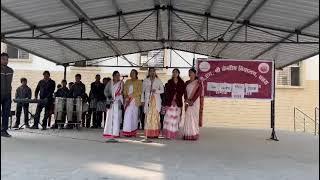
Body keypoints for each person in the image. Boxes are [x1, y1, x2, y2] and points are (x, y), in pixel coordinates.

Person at [162, 69, 186, 139]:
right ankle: (168, 134)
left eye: (176, 72)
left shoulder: (181, 82)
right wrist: (172, 99)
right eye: (174, 72)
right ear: (172, 73)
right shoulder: (169, 82)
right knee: (169, 119)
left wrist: (176, 98)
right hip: (170, 102)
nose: (175, 73)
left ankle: (173, 134)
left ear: (178, 73)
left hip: (178, 102)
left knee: (175, 119)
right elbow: (167, 92)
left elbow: (182, 92)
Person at [181, 68, 204, 140]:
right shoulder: (186, 83)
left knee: (194, 118)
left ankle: (194, 133)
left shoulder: (198, 83)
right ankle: (187, 134)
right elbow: (184, 92)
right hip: (188, 101)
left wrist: (192, 101)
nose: (190, 74)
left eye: (191, 72)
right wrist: (186, 99)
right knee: (187, 117)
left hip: (195, 102)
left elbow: (199, 92)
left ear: (195, 74)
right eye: (189, 72)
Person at [141, 67, 164, 138]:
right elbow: (142, 92)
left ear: (155, 72)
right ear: (149, 72)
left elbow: (162, 90)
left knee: (155, 117)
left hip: (156, 100)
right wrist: (142, 101)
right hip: (148, 100)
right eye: (151, 71)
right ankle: (148, 133)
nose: (152, 73)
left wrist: (156, 91)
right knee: (148, 116)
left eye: (153, 71)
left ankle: (155, 133)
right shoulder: (145, 80)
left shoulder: (158, 80)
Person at [103, 71, 123, 139]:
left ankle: (116, 132)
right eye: (116, 75)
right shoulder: (110, 82)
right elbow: (105, 91)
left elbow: (123, 92)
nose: (118, 77)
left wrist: (120, 96)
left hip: (118, 101)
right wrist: (109, 96)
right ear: (113, 76)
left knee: (117, 117)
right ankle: (108, 132)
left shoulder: (121, 83)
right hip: (110, 102)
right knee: (109, 117)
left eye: (119, 75)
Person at [122, 69, 143, 137]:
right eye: (131, 73)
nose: (132, 74)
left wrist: (131, 96)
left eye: (133, 73)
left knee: (134, 116)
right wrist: (126, 96)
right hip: (127, 100)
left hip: (135, 100)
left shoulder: (139, 82)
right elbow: (124, 90)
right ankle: (127, 131)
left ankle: (133, 131)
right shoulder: (127, 81)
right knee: (127, 115)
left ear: (136, 74)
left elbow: (140, 91)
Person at [1, 53, 14, 137]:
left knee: (6, 113)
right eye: (3, 59)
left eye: (7, 59)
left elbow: (9, 83)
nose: (6, 61)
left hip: (7, 95)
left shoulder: (10, 70)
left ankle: (4, 130)